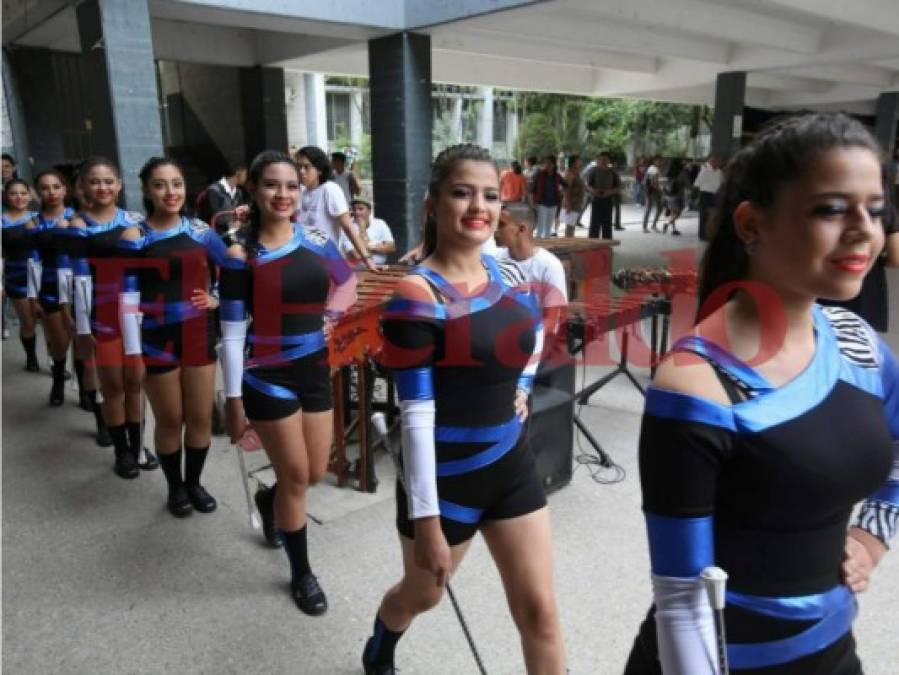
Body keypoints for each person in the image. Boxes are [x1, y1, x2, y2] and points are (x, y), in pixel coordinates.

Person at [623, 113, 898, 675]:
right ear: (752, 224)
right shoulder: (695, 383)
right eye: (831, 209)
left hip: (834, 651)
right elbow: (684, 603)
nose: (864, 231)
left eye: (874, 210)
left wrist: (871, 536)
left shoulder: (857, 342)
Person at [361, 144, 565, 675]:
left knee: (540, 613)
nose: (479, 206)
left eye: (491, 195)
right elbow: (416, 417)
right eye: (462, 192)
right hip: (445, 477)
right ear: (433, 204)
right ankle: (383, 640)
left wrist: (520, 385)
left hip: (511, 464)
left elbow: (534, 333)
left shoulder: (513, 278)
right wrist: (426, 520)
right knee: (423, 594)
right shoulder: (416, 293)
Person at [220, 151, 356, 615]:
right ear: (254, 190)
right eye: (273, 185)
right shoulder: (240, 252)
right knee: (298, 477)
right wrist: (234, 396)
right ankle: (302, 573)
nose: (283, 194)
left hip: (314, 366)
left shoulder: (318, 240)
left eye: (292, 185)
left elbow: (347, 281)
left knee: (314, 472)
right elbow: (233, 329)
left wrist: (332, 318)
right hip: (266, 373)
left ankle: (269, 496)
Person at [120, 157, 228, 517]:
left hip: (198, 333)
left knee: (199, 418)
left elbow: (235, 269)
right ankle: (175, 487)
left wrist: (218, 298)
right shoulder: (135, 236)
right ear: (147, 191)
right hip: (155, 338)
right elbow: (127, 300)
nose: (171, 192)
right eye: (161, 185)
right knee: (170, 419)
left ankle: (194, 482)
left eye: (177, 184)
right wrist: (133, 353)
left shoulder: (200, 232)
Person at [67, 157, 157, 478]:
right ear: (84, 187)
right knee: (114, 385)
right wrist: (81, 327)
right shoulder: (79, 225)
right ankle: (122, 453)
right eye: (95, 181)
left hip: (137, 312)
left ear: (119, 184)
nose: (103, 187)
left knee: (137, 382)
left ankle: (138, 446)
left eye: (109, 181)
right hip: (102, 313)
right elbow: (80, 279)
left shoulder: (136, 220)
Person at [295, 146, 378, 272]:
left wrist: (367, 259)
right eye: (299, 166)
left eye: (306, 167)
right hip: (304, 261)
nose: (301, 171)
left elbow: (348, 228)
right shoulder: (300, 192)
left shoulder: (329, 189)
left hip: (327, 263)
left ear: (320, 170)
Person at [32, 170, 76, 405]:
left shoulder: (78, 216)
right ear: (38, 192)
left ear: (64, 190)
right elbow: (33, 261)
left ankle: (87, 392)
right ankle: (58, 380)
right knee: (60, 343)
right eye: (45, 187)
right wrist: (33, 296)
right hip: (49, 286)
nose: (51, 192)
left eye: (56, 186)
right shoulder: (34, 222)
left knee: (82, 343)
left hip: (78, 285)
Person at [494, 202, 569, 338]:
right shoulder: (495, 259)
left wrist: (515, 337)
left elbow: (551, 323)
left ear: (521, 229)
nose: (495, 231)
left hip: (534, 342)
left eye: (501, 225)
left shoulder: (550, 266)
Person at [2, 178, 40, 371]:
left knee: (50, 322)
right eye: (13, 193)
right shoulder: (2, 221)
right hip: (16, 276)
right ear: (6, 197)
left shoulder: (39, 217)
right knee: (28, 320)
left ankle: (54, 360)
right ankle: (31, 357)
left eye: (23, 193)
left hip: (43, 275)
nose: (19, 197)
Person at [339, 196, 395, 266]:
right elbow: (357, 255)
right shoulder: (348, 226)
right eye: (354, 209)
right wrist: (362, 229)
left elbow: (391, 247)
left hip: (381, 266)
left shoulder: (380, 223)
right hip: (358, 269)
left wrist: (370, 247)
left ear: (369, 211)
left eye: (360, 209)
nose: (356, 212)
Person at [198, 165, 247, 233]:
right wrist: (229, 224)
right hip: (215, 232)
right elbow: (213, 215)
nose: (246, 177)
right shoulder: (214, 190)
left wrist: (239, 221)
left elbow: (241, 212)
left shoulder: (239, 192)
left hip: (233, 230)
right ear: (238, 173)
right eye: (245, 174)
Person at [586, 152, 621, 240]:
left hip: (608, 200)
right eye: (601, 159)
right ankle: (593, 246)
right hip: (596, 199)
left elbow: (619, 187)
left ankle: (607, 246)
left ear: (609, 161)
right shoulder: (593, 171)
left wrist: (610, 192)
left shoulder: (613, 172)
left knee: (607, 224)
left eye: (605, 159)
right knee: (594, 224)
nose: (603, 161)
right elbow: (587, 185)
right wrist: (593, 190)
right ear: (598, 160)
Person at [531, 155, 563, 239]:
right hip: (542, 203)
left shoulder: (557, 175)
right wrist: (533, 201)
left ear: (554, 165)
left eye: (549, 163)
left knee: (548, 227)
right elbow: (532, 188)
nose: (547, 165)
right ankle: (538, 245)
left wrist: (560, 191)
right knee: (540, 226)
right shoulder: (539, 174)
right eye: (546, 163)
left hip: (553, 203)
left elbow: (566, 184)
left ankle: (547, 245)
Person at [694, 154, 723, 241]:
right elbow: (697, 184)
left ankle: (710, 233)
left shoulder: (719, 172)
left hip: (715, 195)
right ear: (709, 161)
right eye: (713, 161)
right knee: (704, 216)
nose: (715, 163)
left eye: (717, 161)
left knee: (713, 216)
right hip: (705, 194)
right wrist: (697, 197)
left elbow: (721, 183)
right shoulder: (705, 170)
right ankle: (702, 235)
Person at [559, 155, 586, 238]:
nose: (580, 162)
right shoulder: (569, 172)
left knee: (572, 226)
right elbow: (566, 189)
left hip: (576, 202)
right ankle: (567, 245)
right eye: (579, 160)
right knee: (569, 227)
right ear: (574, 162)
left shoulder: (576, 172)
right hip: (571, 203)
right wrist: (568, 204)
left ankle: (569, 242)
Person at [661, 158, 689, 236]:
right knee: (678, 213)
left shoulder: (669, 172)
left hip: (669, 195)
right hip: (678, 196)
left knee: (673, 213)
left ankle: (674, 230)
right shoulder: (682, 173)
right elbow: (687, 184)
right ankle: (667, 224)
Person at [642, 156, 664, 233]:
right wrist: (660, 190)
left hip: (649, 190)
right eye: (659, 161)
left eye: (661, 161)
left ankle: (646, 226)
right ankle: (652, 226)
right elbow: (653, 182)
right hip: (652, 191)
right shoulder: (654, 169)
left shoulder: (651, 168)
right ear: (655, 161)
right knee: (658, 207)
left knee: (649, 208)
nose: (661, 162)